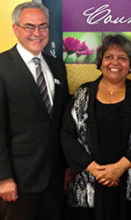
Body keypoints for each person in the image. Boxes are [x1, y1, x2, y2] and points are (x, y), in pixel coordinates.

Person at [61, 34, 131, 220]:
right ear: (100, 62)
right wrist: (94, 169)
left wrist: (120, 168)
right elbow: (67, 136)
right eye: (109, 57)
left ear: (130, 64)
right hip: (88, 187)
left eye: (122, 58)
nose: (115, 62)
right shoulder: (82, 94)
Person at [0, 2, 70, 220]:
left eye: (43, 26)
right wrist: (3, 178)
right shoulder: (2, 67)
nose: (37, 33)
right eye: (30, 26)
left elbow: (60, 122)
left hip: (55, 180)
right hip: (18, 182)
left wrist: (67, 167)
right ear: (15, 29)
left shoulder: (57, 65)